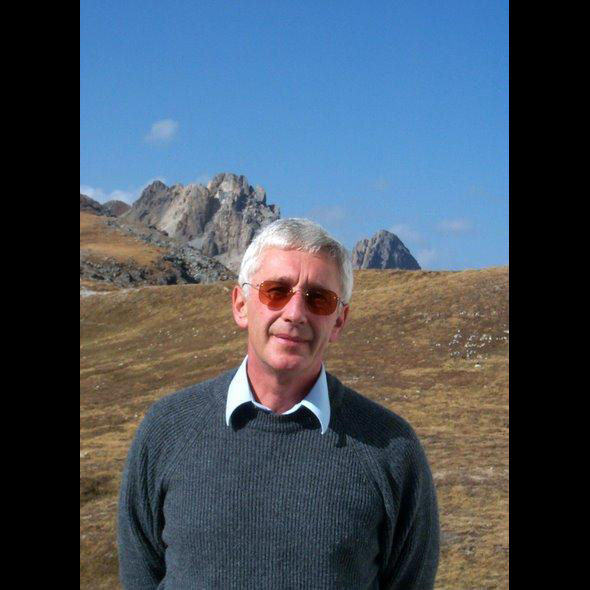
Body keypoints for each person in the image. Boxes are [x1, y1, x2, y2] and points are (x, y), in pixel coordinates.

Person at [118, 218, 440, 589]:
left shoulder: (392, 450)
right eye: (276, 291)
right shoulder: (167, 429)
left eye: (318, 299)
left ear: (339, 321)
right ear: (241, 305)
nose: (295, 313)